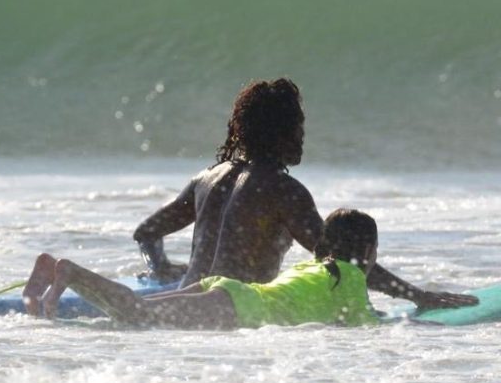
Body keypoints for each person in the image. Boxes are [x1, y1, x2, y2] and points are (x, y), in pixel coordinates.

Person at [133, 78, 476, 311]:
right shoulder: (283, 190)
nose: (302, 135)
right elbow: (343, 262)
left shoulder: (207, 179)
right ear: (282, 131)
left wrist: (160, 267)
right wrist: (417, 295)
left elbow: (146, 233)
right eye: (298, 126)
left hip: (184, 300)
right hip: (233, 315)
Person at [23, 209, 380, 329]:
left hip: (227, 289)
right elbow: (367, 326)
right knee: (138, 316)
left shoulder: (313, 267)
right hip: (238, 306)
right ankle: (69, 272)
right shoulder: (350, 278)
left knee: (132, 313)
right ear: (367, 250)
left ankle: (56, 269)